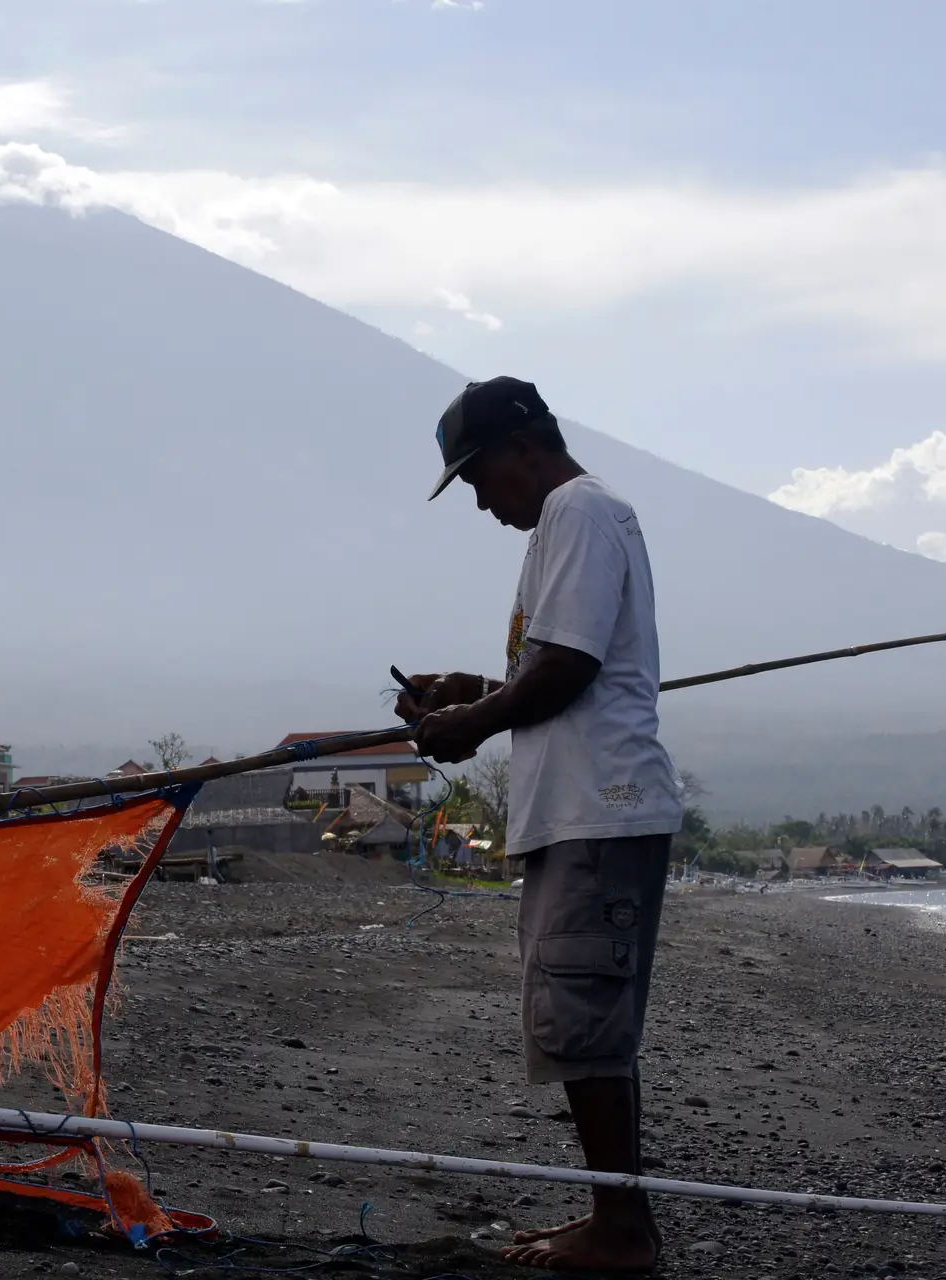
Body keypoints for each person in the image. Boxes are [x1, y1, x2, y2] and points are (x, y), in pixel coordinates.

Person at [395, 377, 683, 1274]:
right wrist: (471, 689)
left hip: (602, 810)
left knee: (582, 1020)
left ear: (525, 448)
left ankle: (623, 1234)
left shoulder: (580, 513)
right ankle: (616, 1220)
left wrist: (467, 727)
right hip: (581, 812)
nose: (481, 501)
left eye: (480, 478)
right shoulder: (569, 523)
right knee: (582, 1022)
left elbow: (565, 670)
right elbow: (551, 674)